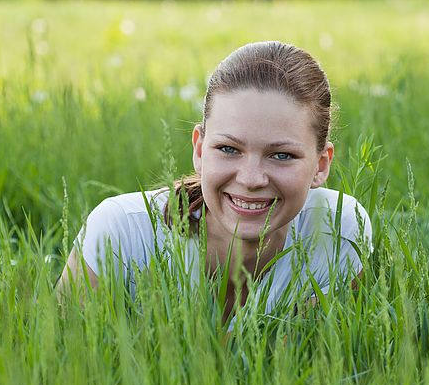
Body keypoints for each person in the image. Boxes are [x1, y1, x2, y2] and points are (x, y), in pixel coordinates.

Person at [57, 41, 372, 322]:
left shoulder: (338, 229)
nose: (250, 179)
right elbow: (57, 363)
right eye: (228, 149)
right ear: (199, 149)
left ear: (321, 164)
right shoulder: (122, 232)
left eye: (281, 156)